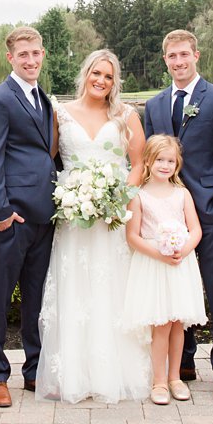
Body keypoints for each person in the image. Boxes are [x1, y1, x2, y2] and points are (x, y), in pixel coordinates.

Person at [37, 49, 151, 404]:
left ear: (115, 82)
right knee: (75, 288)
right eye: (96, 73)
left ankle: (113, 371)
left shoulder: (125, 116)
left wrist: (118, 197)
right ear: (85, 74)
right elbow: (50, 158)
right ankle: (72, 373)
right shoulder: (60, 113)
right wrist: (67, 196)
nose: (101, 81)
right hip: (72, 216)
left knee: (110, 286)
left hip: (113, 215)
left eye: (108, 76)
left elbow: (138, 163)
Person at [142, 30, 213, 399]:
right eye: (172, 56)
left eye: (184, 54)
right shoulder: (154, 106)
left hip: (210, 209)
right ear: (165, 60)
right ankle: (181, 363)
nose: (179, 61)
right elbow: (149, 159)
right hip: (166, 213)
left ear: (196, 55)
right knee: (172, 288)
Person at [0, 26, 58, 408]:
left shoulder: (42, 97)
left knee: (36, 297)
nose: (30, 60)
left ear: (43, 54)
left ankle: (34, 369)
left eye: (36, 53)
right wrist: (2, 212)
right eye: (23, 55)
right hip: (13, 218)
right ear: (10, 57)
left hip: (44, 215)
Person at [123, 135, 206, 406]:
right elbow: (132, 237)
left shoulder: (182, 194)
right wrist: (159, 252)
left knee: (177, 324)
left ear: (177, 164)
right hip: (154, 265)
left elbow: (195, 229)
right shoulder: (139, 196)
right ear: (148, 161)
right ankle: (158, 381)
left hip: (179, 265)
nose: (165, 165)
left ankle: (175, 377)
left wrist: (184, 247)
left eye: (170, 160)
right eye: (160, 159)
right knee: (160, 325)